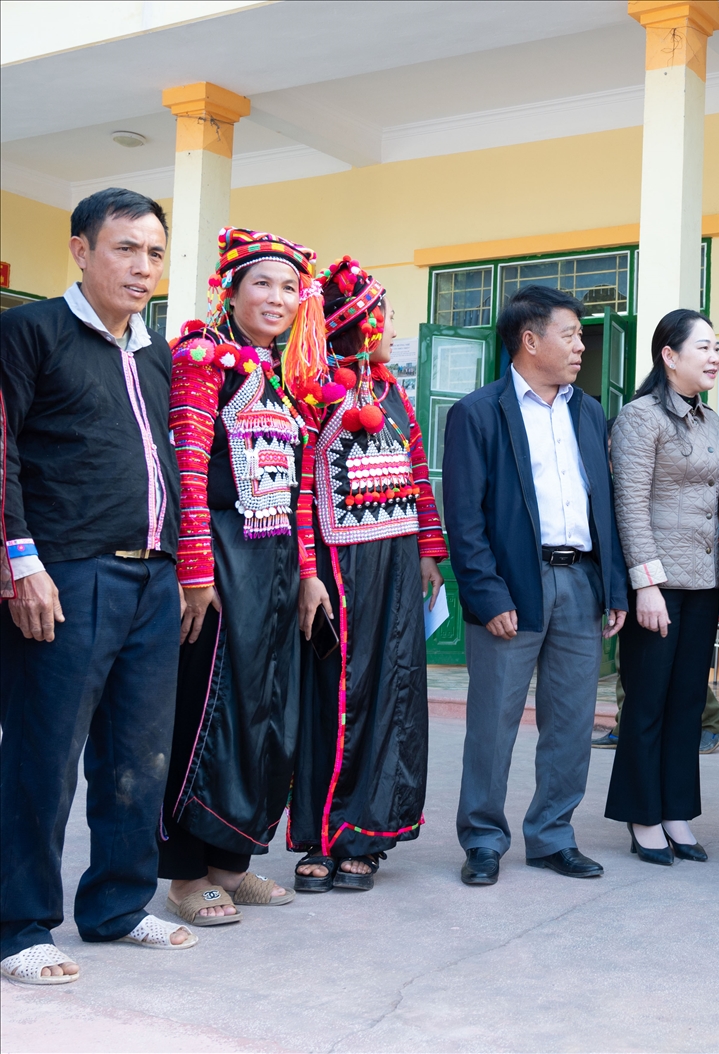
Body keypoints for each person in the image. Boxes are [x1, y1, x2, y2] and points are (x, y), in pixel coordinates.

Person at [1, 188, 194, 984]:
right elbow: (3, 451)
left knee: (137, 754)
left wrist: (184, 567)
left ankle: (116, 906)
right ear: (80, 250)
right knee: (44, 757)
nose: (142, 267)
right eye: (124, 248)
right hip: (67, 573)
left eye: (153, 251)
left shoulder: (155, 352)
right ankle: (19, 927)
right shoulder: (30, 332)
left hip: (153, 578)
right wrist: (22, 561)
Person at [159, 227, 327, 925]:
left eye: (289, 288)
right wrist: (196, 569)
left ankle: (233, 861)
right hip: (222, 560)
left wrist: (310, 574)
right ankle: (186, 875)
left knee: (264, 714)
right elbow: (188, 472)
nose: (277, 298)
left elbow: (300, 493)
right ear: (229, 290)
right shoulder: (205, 361)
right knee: (207, 714)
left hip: (278, 565)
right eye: (262, 283)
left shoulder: (285, 385)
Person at [444, 284, 628, 884]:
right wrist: (488, 594)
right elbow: (465, 519)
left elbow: (604, 504)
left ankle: (552, 835)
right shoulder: (479, 412)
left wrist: (615, 588)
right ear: (530, 340)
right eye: (570, 334)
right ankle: (483, 840)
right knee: (493, 720)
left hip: (581, 583)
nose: (580, 346)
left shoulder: (589, 409)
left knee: (572, 720)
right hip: (513, 587)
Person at [288, 259, 447, 892]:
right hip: (336, 566)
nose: (389, 327)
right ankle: (322, 836)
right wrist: (307, 570)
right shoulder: (310, 390)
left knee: (393, 689)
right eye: (381, 315)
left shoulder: (391, 393)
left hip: (397, 563)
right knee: (334, 695)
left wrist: (431, 550)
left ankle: (369, 835)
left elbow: (416, 471)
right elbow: (300, 490)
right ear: (358, 323)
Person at [604, 309, 719, 865]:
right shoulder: (640, 417)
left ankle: (676, 809)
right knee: (647, 702)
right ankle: (642, 814)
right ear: (668, 355)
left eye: (716, 347)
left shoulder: (713, 422)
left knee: (686, 704)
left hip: (702, 583)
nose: (713, 356)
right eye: (701, 347)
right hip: (656, 585)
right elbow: (629, 505)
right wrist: (646, 586)